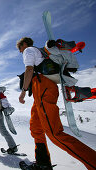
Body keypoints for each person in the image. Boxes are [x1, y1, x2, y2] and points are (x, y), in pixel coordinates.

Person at [17, 37, 96, 170]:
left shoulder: (28, 50)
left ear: (24, 44)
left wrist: (23, 91)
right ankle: (43, 163)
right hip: (41, 90)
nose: (20, 52)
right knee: (36, 128)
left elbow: (29, 70)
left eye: (20, 49)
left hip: (43, 88)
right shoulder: (41, 52)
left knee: (54, 133)